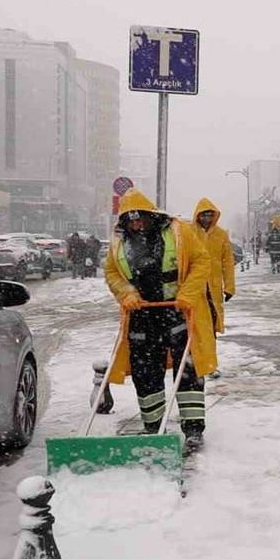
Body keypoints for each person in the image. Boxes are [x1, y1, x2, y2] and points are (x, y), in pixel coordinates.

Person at [104, 189, 217, 451]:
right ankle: (153, 426)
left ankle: (193, 429)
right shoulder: (119, 241)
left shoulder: (178, 231)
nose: (136, 225)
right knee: (145, 371)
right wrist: (126, 293)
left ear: (150, 216)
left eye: (140, 219)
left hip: (177, 312)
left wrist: (187, 293)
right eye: (131, 221)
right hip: (141, 315)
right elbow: (111, 272)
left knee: (187, 370)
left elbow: (202, 261)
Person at [190, 198, 235, 337]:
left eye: (210, 215)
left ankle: (210, 343)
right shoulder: (189, 233)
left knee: (212, 317)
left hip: (213, 286)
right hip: (194, 284)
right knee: (194, 320)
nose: (206, 219)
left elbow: (227, 262)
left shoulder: (221, 235)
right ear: (198, 215)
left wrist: (229, 287)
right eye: (203, 215)